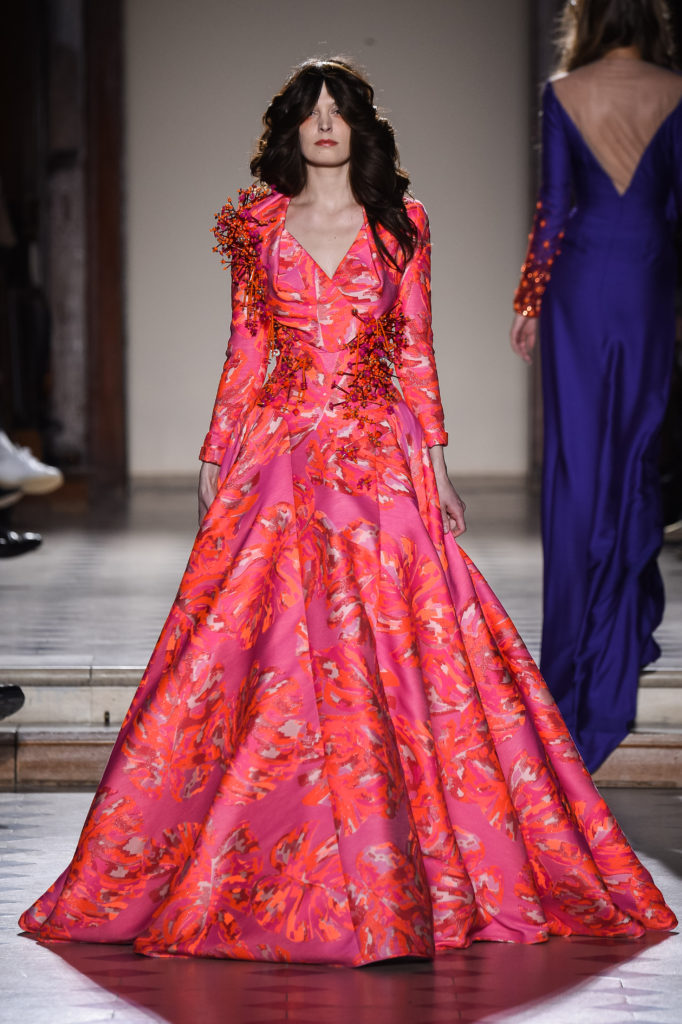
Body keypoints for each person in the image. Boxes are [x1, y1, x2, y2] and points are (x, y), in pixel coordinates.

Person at [20, 58, 675, 966]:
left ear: (360, 128)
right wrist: (216, 452)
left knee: (415, 649)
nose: (324, 123)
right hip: (280, 457)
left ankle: (410, 858)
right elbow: (247, 346)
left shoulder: (405, 224)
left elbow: (414, 350)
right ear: (290, 130)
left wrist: (436, 464)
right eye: (309, 111)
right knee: (256, 646)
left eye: (339, 110)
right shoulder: (257, 224)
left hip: (374, 458)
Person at [510, 0, 682, 773]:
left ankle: (577, 661)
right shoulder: (675, 89)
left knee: (578, 468)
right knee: (635, 448)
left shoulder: (562, 91)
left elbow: (552, 212)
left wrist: (526, 302)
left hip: (578, 284)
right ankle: (619, 627)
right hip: (647, 278)